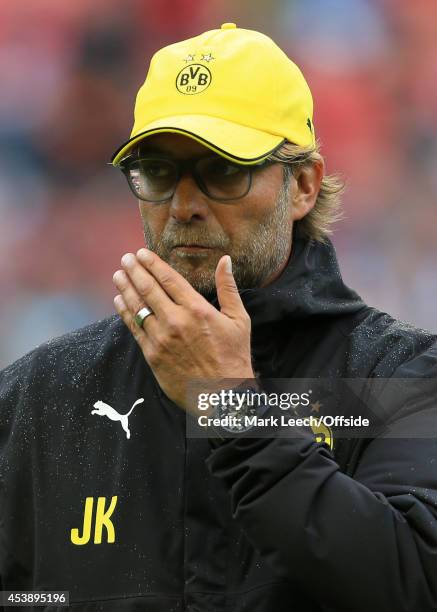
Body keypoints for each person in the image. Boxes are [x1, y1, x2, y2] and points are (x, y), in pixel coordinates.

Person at [1, 22, 437, 612]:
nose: (183, 206)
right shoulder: (39, 395)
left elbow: (411, 583)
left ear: (303, 185)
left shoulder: (398, 376)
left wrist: (231, 403)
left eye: (223, 171)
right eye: (158, 172)